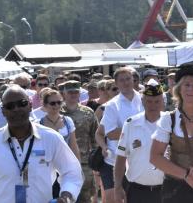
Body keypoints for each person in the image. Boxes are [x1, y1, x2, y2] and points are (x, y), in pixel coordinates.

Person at [0, 85, 82, 203]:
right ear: (3, 111)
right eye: (10, 106)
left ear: (30, 105)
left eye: (22, 103)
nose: (16, 109)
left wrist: (66, 197)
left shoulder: (51, 138)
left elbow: (72, 172)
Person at [149, 66, 193, 203]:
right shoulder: (168, 119)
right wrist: (186, 175)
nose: (190, 89)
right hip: (176, 190)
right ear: (179, 89)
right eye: (186, 85)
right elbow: (155, 157)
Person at [114, 82, 165, 203]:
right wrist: (117, 187)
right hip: (136, 190)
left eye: (157, 101)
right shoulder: (131, 124)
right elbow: (120, 157)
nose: (153, 105)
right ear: (142, 101)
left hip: (166, 189)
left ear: (163, 101)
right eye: (149, 101)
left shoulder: (170, 123)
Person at [100, 68, 144, 203]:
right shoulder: (112, 105)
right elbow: (111, 133)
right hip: (119, 161)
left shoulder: (146, 99)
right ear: (116, 83)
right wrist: (139, 128)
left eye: (128, 79)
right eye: (122, 80)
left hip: (143, 158)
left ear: (134, 80)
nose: (126, 83)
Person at [61, 81, 97, 203]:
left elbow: (95, 137)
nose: (73, 95)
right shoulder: (57, 112)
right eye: (70, 92)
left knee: (85, 197)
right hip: (61, 163)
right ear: (64, 94)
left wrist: (96, 161)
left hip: (84, 163)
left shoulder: (88, 112)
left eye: (76, 92)